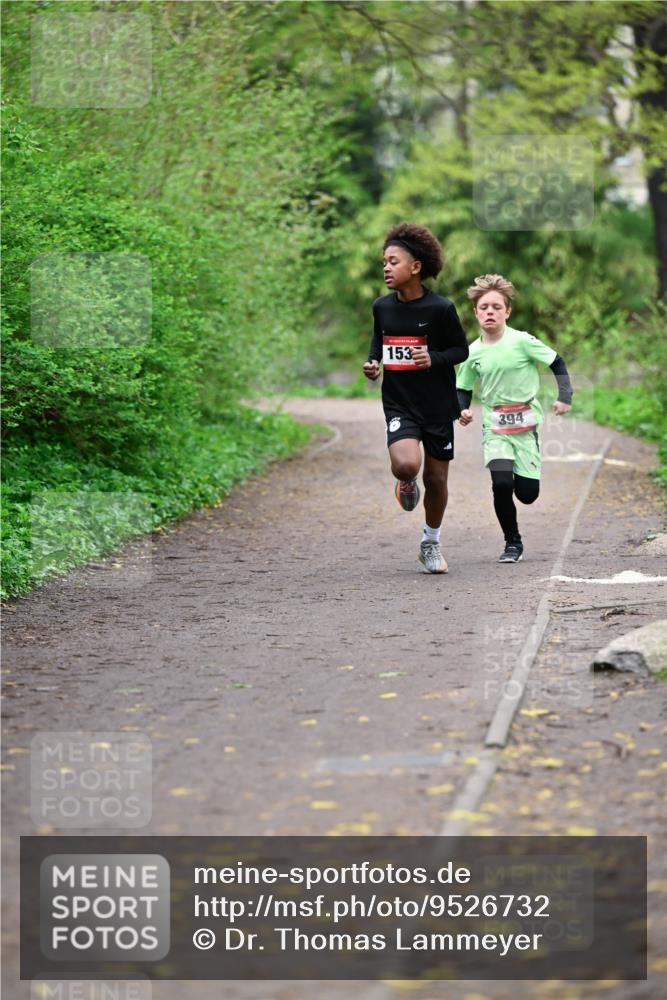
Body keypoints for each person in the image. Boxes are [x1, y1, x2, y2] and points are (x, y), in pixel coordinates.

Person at [362, 222, 469, 574]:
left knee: (437, 481)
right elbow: (380, 338)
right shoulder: (382, 307)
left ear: (416, 267)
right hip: (400, 401)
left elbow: (460, 350)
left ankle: (430, 543)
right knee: (407, 465)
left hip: (438, 405)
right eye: (384, 263)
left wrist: (433, 358)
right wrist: (374, 361)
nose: (386, 268)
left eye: (393, 262)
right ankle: (405, 482)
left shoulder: (441, 308)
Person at [456, 274, 573, 563]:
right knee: (501, 483)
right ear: (476, 312)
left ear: (507, 311)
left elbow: (556, 361)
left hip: (525, 426)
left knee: (527, 494)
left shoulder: (522, 341)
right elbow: (463, 387)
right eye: (484, 307)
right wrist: (462, 409)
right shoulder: (471, 352)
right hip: (494, 427)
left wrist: (564, 396)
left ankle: (527, 482)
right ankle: (512, 542)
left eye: (496, 307)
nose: (490, 312)